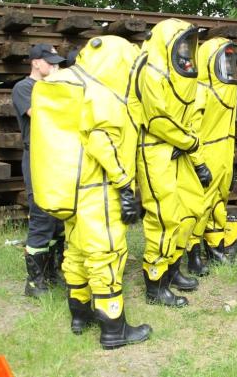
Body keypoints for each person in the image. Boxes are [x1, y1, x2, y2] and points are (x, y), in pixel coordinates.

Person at [30, 36, 151, 349]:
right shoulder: (102, 94)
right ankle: (114, 329)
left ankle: (80, 314)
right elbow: (102, 141)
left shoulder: (72, 83)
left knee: (76, 251)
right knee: (106, 253)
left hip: (73, 187)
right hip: (98, 188)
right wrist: (124, 184)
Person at [136, 18, 209, 307]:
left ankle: (173, 268)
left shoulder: (180, 73)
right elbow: (157, 120)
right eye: (181, 44)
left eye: (188, 44)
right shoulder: (151, 73)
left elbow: (188, 113)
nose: (185, 50)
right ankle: (156, 284)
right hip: (156, 151)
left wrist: (188, 147)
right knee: (164, 217)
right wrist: (189, 143)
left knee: (191, 208)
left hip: (179, 150)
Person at [11, 43, 66, 297]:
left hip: (57, 156)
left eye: (57, 62)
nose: (55, 66)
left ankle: (52, 273)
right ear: (35, 62)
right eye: (50, 61)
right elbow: (42, 115)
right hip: (37, 157)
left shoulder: (52, 86)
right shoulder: (24, 88)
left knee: (58, 218)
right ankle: (34, 283)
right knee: (42, 216)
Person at [188, 37, 237, 273]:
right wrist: (198, 161)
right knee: (200, 205)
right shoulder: (200, 91)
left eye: (230, 60)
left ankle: (215, 248)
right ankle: (191, 253)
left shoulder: (226, 89)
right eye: (224, 60)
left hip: (224, 154)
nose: (228, 66)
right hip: (208, 153)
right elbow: (192, 130)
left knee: (219, 201)